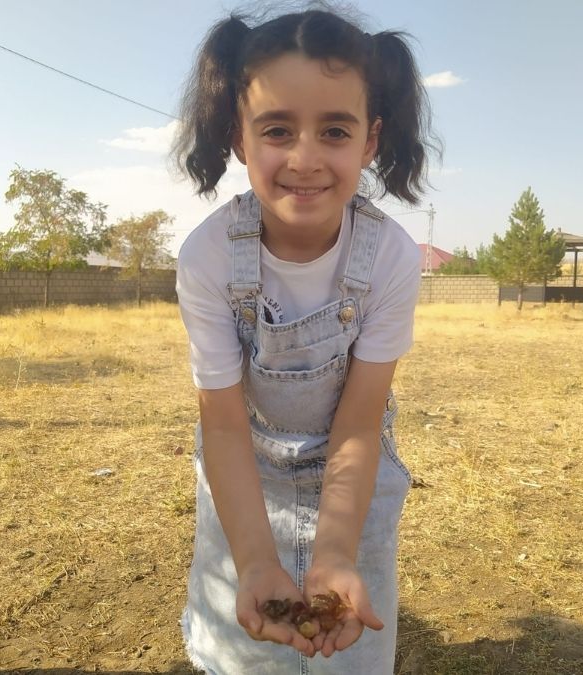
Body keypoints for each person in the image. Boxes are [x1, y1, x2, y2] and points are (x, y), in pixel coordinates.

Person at [170, 7, 436, 673]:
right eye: (278, 129)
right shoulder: (205, 259)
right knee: (241, 652)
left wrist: (337, 550)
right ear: (239, 136)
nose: (305, 158)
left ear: (371, 139)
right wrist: (255, 561)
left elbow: (359, 421)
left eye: (335, 130)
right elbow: (224, 425)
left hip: (352, 472)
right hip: (244, 468)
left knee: (352, 653)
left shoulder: (392, 259)